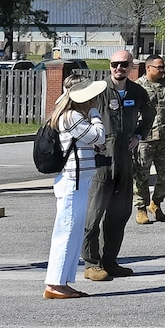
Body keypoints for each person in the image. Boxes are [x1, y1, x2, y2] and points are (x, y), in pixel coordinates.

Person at [81, 50, 147, 283]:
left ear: (131, 67)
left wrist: (139, 135)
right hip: (102, 162)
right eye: (115, 64)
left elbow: (148, 116)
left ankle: (110, 261)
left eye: (124, 64)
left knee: (119, 214)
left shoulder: (137, 92)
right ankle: (91, 263)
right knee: (93, 215)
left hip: (125, 161)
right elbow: (81, 115)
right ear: (110, 66)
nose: (119, 68)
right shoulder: (98, 91)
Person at [43, 74, 108, 299]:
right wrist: (95, 115)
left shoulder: (72, 115)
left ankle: (63, 281)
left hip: (78, 181)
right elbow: (99, 137)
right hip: (72, 181)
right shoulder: (70, 116)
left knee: (73, 232)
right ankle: (54, 283)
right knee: (67, 232)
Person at [132, 56, 165, 224]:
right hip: (144, 139)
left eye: (163, 67)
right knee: (141, 174)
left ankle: (156, 203)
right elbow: (131, 113)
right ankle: (141, 208)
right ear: (148, 68)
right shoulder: (137, 87)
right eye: (159, 67)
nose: (162, 70)